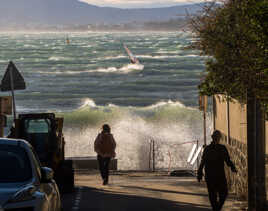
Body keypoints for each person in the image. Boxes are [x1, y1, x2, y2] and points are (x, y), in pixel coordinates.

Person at [197, 130, 237, 211]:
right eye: (217, 137)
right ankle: (217, 208)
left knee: (216, 194)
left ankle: (216, 208)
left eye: (217, 137)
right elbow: (227, 160)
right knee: (219, 194)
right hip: (217, 176)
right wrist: (232, 167)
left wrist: (199, 173)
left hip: (213, 176)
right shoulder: (219, 148)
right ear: (217, 138)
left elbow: (202, 162)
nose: (217, 139)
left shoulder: (210, 149)